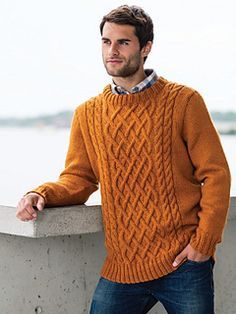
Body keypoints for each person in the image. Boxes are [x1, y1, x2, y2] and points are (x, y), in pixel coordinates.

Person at [16, 5, 231, 314]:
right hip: (122, 266)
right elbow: (79, 178)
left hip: (183, 262)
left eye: (123, 42)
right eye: (106, 42)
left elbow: (216, 173)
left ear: (146, 47)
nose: (112, 51)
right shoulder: (87, 114)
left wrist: (203, 243)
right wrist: (41, 194)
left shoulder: (184, 101)